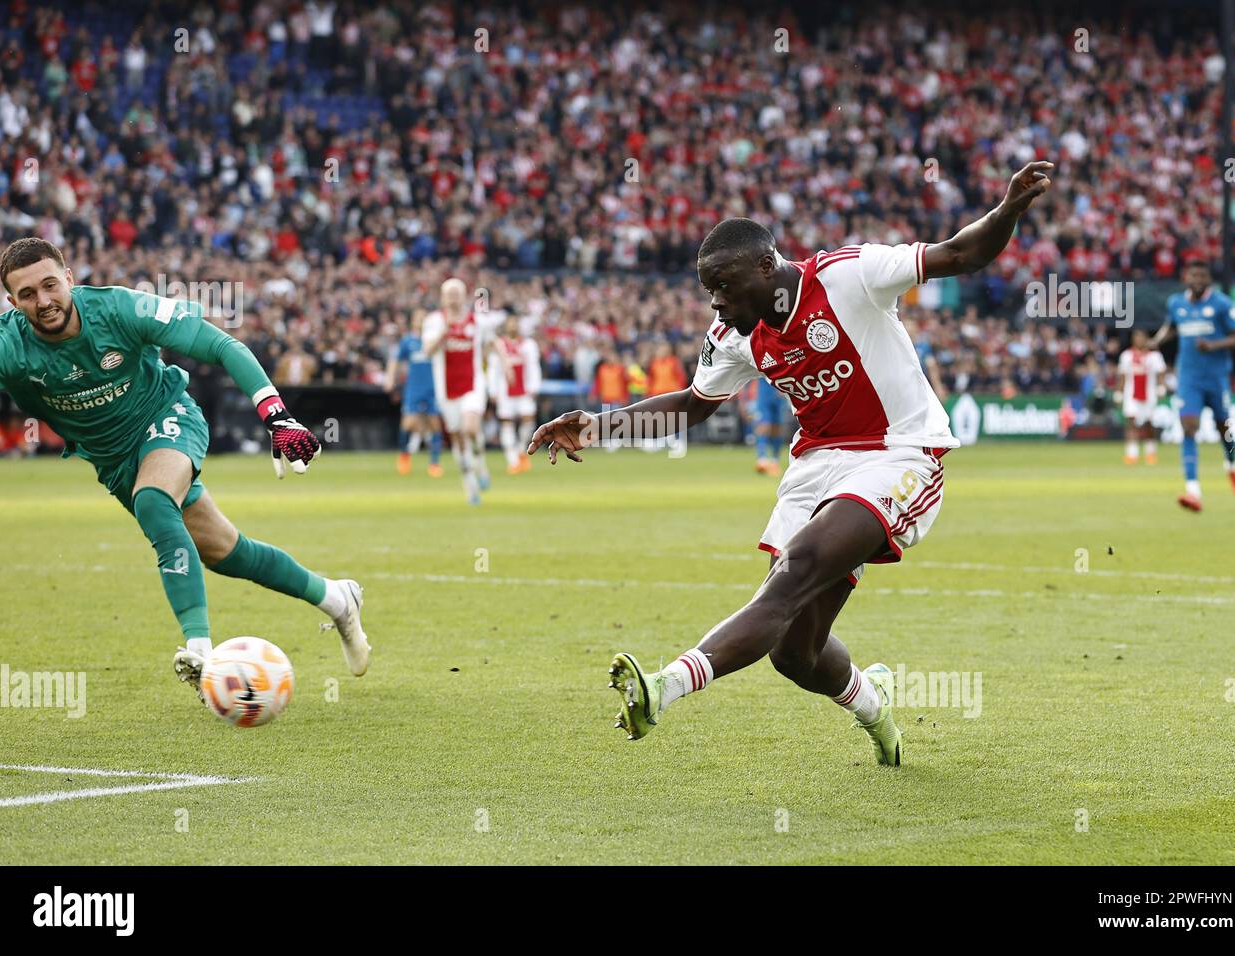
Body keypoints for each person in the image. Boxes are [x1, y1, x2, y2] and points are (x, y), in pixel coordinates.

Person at [529, 162, 1054, 765]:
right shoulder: (733, 335)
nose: (718, 304)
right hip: (818, 464)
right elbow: (694, 405)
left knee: (797, 569)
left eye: (726, 287)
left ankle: (663, 687)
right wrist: (600, 425)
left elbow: (959, 254)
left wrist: (1009, 208)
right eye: (709, 292)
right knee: (795, 653)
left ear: (766, 267)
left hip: (899, 451)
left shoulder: (848, 275)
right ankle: (874, 704)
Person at [0, 238, 371, 698]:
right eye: (27, 294)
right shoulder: (5, 348)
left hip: (166, 416)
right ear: (11, 301)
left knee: (154, 499)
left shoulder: (121, 309)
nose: (43, 301)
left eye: (50, 285)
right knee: (227, 552)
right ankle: (336, 597)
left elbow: (223, 346)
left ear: (69, 279)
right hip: (113, 462)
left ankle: (201, 651)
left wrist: (277, 417)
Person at [1150, 261, 1235, 511]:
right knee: (1189, 427)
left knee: (1223, 427)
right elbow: (1171, 327)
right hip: (1189, 378)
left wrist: (1213, 345)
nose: (1197, 280)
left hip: (1216, 377)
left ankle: (1232, 467)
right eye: (1193, 275)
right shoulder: (1176, 303)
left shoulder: (1222, 304)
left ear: (1208, 280)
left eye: (1202, 276)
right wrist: (1156, 341)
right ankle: (1193, 489)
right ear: (1186, 277)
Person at [423, 278, 489, 505]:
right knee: (458, 437)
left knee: (471, 427)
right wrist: (444, 333)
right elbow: (427, 351)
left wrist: (506, 364)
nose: (453, 297)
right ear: (442, 297)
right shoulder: (434, 321)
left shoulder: (478, 321)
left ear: (464, 295)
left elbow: (492, 342)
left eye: (456, 293)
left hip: (473, 383)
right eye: (448, 293)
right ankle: (470, 485)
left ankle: (480, 461)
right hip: (447, 389)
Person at [385, 311, 443, 477]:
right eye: (418, 318)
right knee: (408, 424)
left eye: (424, 318)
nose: (421, 321)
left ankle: (434, 463)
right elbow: (394, 360)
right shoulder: (408, 341)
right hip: (414, 388)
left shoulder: (434, 340)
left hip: (433, 388)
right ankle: (404, 457)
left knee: (434, 424)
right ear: (413, 321)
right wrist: (390, 378)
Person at [488, 314, 541, 475]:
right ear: (506, 326)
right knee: (507, 423)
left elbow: (533, 366)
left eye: (515, 323)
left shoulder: (528, 344)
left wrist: (534, 387)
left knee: (528, 420)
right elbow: (493, 369)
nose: (513, 326)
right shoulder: (499, 345)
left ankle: (520, 450)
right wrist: (493, 390)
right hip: (505, 391)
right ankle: (513, 461)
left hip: (524, 390)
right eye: (510, 323)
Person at [1115, 329, 1166, 464]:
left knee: (1148, 424)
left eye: (1141, 337)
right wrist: (1119, 392)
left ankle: (1150, 452)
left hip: (1149, 394)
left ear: (1146, 339)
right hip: (1131, 394)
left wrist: (1161, 387)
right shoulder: (1126, 355)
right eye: (1136, 337)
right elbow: (1122, 375)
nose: (1138, 340)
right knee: (1131, 422)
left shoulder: (1154, 356)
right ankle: (1132, 454)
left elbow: (1161, 373)